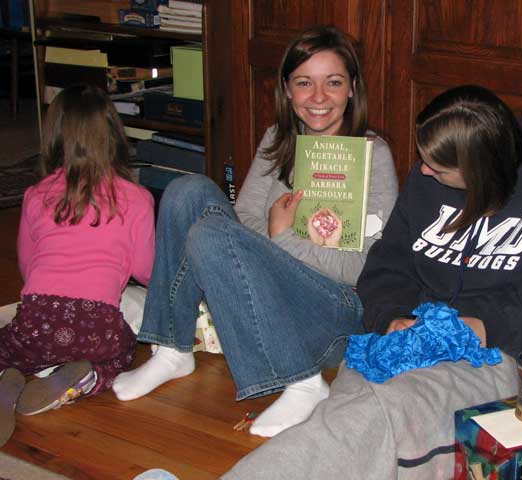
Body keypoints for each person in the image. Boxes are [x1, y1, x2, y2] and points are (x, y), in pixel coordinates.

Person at [221, 85, 522, 479]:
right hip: (406, 337)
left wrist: (482, 325)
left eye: (437, 168)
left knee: (377, 413)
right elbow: (386, 266)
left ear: (478, 170)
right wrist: (393, 316)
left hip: (497, 353)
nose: (423, 172)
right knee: (350, 416)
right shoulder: (427, 182)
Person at [112, 25, 399, 438]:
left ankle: (303, 380)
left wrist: (283, 239)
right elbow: (243, 217)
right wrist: (270, 238)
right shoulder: (278, 139)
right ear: (287, 90)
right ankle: (172, 348)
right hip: (271, 290)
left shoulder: (374, 155)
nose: (318, 98)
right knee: (186, 189)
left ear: (352, 88)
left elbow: (365, 270)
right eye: (304, 83)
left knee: (210, 237)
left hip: (334, 313)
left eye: (333, 83)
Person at [0, 84, 155, 445]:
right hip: (96, 326)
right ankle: (88, 379)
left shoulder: (35, 195)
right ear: (115, 136)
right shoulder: (137, 198)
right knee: (122, 351)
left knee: (8, 343)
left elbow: (27, 264)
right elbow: (146, 270)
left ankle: (9, 374)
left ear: (53, 137)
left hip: (38, 320)